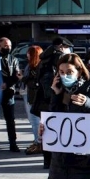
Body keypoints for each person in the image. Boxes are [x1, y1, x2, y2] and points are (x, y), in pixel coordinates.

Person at [32, 36, 74, 168]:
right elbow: (53, 81)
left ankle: (48, 161)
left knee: (47, 131)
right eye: (67, 48)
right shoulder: (57, 58)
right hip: (52, 99)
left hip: (43, 100)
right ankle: (51, 161)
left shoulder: (44, 57)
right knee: (54, 131)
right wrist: (57, 95)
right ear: (62, 47)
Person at [0, 37, 21, 153]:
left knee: (10, 120)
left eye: (10, 46)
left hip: (8, 93)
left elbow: (16, 75)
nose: (8, 48)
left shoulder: (14, 59)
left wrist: (7, 84)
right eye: (6, 45)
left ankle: (13, 143)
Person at [21, 45, 44, 155]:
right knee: (34, 121)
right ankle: (37, 141)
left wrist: (23, 78)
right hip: (29, 94)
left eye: (29, 53)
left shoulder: (36, 67)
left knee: (35, 121)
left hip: (33, 96)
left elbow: (35, 83)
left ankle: (38, 142)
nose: (27, 55)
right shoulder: (31, 66)